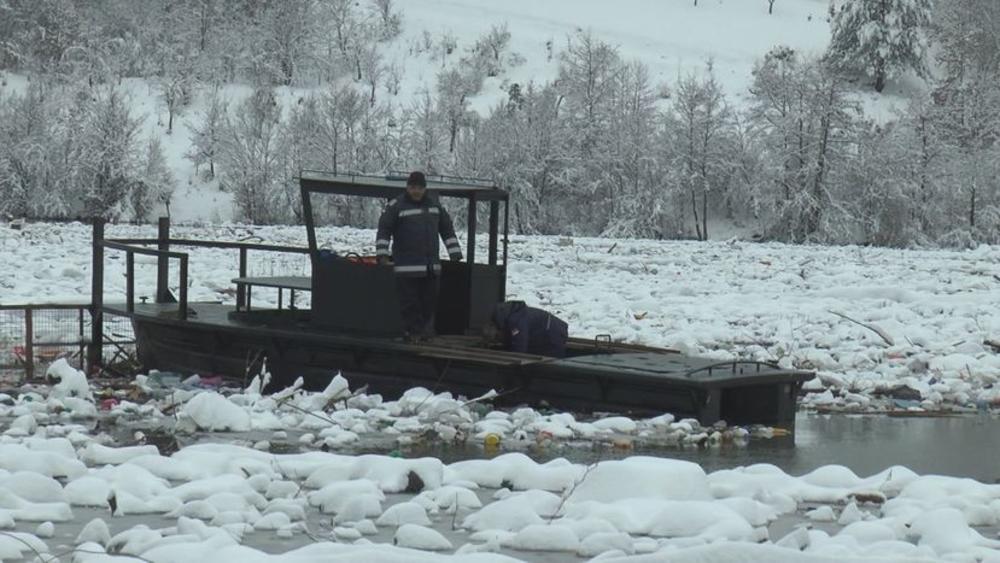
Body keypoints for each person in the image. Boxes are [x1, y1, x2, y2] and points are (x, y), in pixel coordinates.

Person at [376, 171, 462, 343]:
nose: (416, 191)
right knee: (410, 303)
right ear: (407, 187)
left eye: (419, 188)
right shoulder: (397, 206)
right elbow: (384, 229)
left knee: (429, 302)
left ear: (425, 189)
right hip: (406, 268)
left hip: (430, 268)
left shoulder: (434, 206)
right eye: (413, 187)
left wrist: (455, 252)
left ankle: (421, 332)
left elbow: (446, 229)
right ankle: (413, 333)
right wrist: (382, 254)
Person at [490, 301, 569, 358]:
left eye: (497, 335)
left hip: (553, 337)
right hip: (551, 333)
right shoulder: (515, 315)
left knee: (549, 367)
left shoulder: (516, 321)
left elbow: (520, 346)